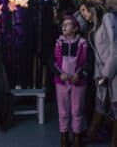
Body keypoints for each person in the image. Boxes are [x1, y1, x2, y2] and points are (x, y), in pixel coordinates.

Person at [80, 1, 117, 146]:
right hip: (103, 72)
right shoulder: (93, 28)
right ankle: (92, 132)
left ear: (92, 8)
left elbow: (115, 46)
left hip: (114, 69)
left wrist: (106, 74)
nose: (83, 14)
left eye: (84, 10)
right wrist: (98, 75)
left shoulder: (108, 17)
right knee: (100, 103)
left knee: (115, 104)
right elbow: (97, 57)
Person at [51, 15, 88, 147]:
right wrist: (60, 74)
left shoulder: (83, 43)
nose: (64, 26)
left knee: (77, 110)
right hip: (61, 81)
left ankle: (77, 137)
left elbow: (88, 63)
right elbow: (52, 62)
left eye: (68, 24)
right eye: (63, 25)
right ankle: (64, 138)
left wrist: (80, 74)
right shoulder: (58, 43)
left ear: (76, 28)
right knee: (63, 111)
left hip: (78, 81)